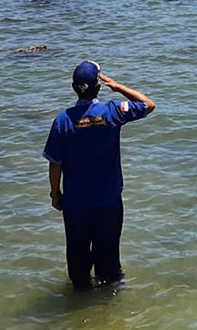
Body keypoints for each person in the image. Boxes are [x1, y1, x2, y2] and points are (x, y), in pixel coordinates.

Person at [43, 60, 156, 289]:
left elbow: (55, 164)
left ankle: (79, 305)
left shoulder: (63, 120)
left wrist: (55, 195)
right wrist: (117, 86)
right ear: (99, 86)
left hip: (76, 205)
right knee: (109, 266)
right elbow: (148, 104)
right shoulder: (112, 111)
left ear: (74, 87)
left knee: (78, 264)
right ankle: (108, 309)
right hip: (109, 202)